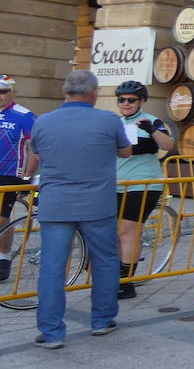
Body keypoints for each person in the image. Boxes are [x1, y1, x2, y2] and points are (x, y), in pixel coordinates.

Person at [27, 70, 132, 348]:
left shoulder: (44, 122)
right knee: (106, 261)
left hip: (56, 205)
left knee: (52, 267)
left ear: (65, 90)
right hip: (97, 205)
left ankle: (51, 333)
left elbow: (36, 155)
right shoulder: (109, 120)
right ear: (94, 93)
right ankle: (101, 320)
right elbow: (125, 152)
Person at [113, 81, 174, 299]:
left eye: (131, 100)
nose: (126, 103)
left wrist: (151, 131)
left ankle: (126, 284)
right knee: (118, 234)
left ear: (142, 101)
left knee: (126, 232)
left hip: (144, 184)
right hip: (117, 184)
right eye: (122, 100)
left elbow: (168, 145)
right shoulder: (115, 122)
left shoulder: (151, 120)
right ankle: (120, 276)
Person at [0, 74, 36, 283]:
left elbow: (35, 149)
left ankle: (3, 258)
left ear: (13, 92)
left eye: (4, 91)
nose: (0, 96)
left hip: (10, 174)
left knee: (2, 219)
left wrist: (27, 177)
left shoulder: (25, 115)